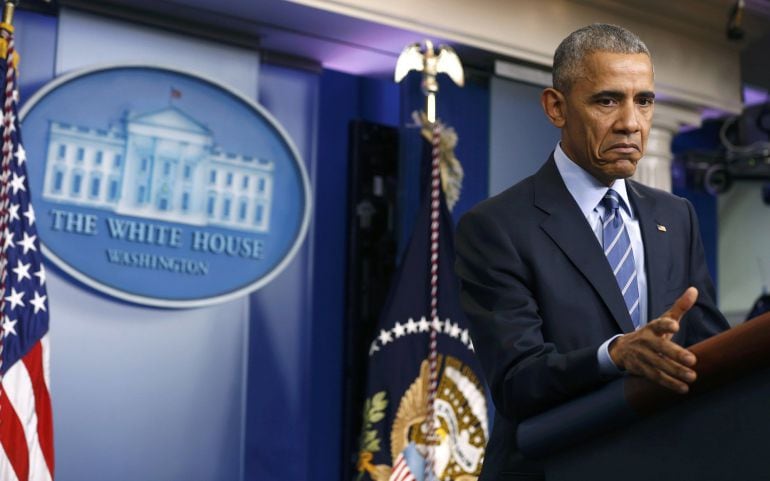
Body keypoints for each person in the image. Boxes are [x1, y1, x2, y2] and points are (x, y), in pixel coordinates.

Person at [455, 23, 730, 481]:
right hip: (553, 467)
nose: (631, 122)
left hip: (663, 462)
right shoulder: (495, 226)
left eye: (643, 101)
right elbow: (517, 381)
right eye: (607, 100)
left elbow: (707, 348)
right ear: (556, 107)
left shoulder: (675, 215)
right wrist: (615, 354)